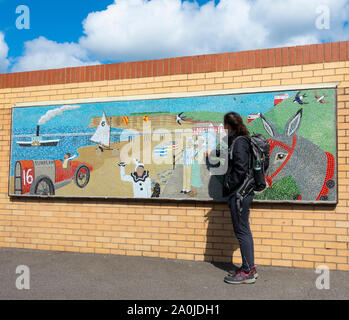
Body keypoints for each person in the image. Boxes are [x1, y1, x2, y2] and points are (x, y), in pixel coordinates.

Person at [222, 112, 258, 285]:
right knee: (244, 230)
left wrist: (229, 185)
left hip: (239, 194)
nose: (223, 129)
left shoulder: (240, 143)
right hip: (242, 193)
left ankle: (248, 271)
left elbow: (240, 168)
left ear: (228, 125)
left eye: (225, 126)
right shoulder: (241, 140)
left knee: (242, 231)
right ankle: (249, 266)